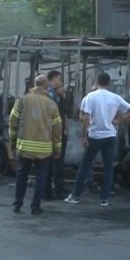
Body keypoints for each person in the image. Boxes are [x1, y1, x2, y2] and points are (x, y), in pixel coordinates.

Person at [66, 72, 130, 206]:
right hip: (110, 136)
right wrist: (119, 119)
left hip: (94, 136)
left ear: (96, 82)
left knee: (85, 166)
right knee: (108, 167)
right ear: (108, 83)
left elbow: (85, 118)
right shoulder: (115, 97)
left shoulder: (90, 97)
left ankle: (75, 196)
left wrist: (84, 136)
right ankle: (105, 199)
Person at [9, 75, 63, 214]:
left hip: (24, 146)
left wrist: (12, 141)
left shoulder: (22, 100)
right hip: (44, 148)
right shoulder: (51, 104)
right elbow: (57, 127)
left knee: (21, 175)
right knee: (41, 177)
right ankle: (35, 206)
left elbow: (13, 121)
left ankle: (17, 204)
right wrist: (57, 147)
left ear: (34, 84)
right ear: (46, 86)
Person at [45, 69, 70, 199]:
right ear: (54, 79)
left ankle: (53, 188)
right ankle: (55, 190)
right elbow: (53, 116)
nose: (61, 82)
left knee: (54, 162)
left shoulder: (55, 95)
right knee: (56, 162)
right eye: (59, 79)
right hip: (54, 133)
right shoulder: (51, 95)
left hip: (56, 132)